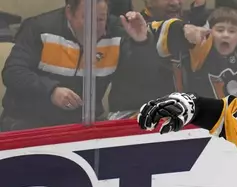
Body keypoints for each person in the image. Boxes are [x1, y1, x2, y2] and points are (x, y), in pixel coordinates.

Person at [0, 0, 154, 131]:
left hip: (83, 124)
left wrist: (141, 42)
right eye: (87, 18)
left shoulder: (118, 33)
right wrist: (51, 91)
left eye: (100, 19)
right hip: (27, 122)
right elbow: (13, 71)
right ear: (69, 12)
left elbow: (142, 80)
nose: (94, 27)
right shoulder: (39, 28)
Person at [148, 0, 237, 105]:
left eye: (232, 31)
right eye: (220, 30)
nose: (226, 35)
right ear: (210, 32)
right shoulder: (202, 50)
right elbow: (179, 36)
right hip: (203, 121)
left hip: (236, 117)